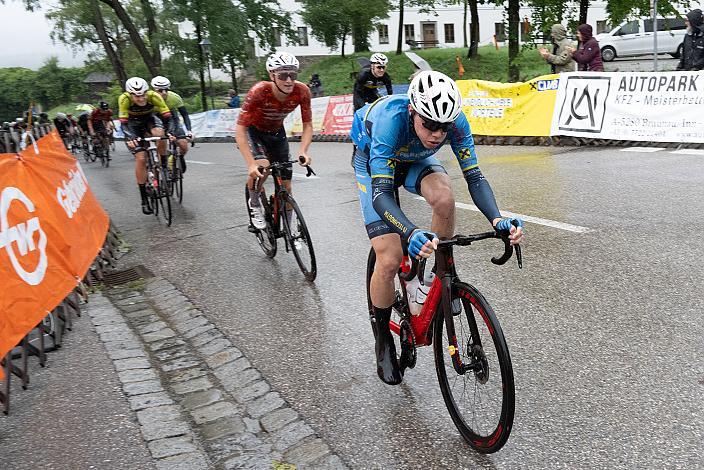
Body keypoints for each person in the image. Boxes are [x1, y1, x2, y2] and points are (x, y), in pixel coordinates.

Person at [350, 71, 525, 385]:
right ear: (413, 112)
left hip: (415, 159)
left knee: (445, 198)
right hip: (373, 161)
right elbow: (381, 196)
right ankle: (383, 340)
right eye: (429, 124)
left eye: (443, 127)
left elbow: (475, 177)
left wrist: (497, 219)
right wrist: (410, 232)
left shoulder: (455, 123)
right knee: (389, 258)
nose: (437, 134)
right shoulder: (392, 121)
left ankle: (431, 277)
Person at [235, 52, 313, 230]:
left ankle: (288, 227)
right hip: (254, 131)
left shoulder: (302, 91)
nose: (288, 80)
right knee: (262, 166)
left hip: (277, 133)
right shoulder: (259, 91)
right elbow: (240, 129)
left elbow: (307, 125)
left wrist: (303, 151)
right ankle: (254, 203)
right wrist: (250, 164)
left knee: (287, 186)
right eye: (282, 75)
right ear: (272, 75)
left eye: (292, 75)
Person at [118, 76, 178, 215]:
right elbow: (123, 124)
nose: (141, 99)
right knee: (141, 158)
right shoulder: (124, 99)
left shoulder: (154, 96)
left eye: (143, 94)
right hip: (132, 124)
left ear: (147, 91)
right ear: (130, 94)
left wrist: (170, 132)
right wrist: (130, 137)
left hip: (149, 119)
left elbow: (169, 118)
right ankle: (144, 199)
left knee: (160, 133)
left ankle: (162, 166)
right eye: (137, 96)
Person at [351, 53, 394, 166]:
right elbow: (357, 93)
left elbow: (390, 95)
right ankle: (355, 150)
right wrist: (361, 108)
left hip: (372, 94)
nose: (381, 70)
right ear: (372, 66)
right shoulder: (364, 74)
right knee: (359, 118)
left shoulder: (385, 77)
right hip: (360, 94)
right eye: (379, 67)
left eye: (383, 67)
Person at [151, 76, 193, 173]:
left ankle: (176, 158)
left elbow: (185, 115)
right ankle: (162, 167)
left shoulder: (174, 97)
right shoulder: (149, 99)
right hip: (156, 119)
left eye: (166, 90)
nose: (164, 93)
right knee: (162, 143)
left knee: (183, 144)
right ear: (154, 90)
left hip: (172, 119)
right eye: (160, 90)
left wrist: (189, 130)